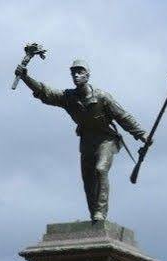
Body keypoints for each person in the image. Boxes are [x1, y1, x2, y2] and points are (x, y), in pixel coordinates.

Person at [16, 58, 147, 222]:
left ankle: (100, 212)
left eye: (80, 72)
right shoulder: (68, 97)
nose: (76, 75)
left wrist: (142, 134)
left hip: (106, 139)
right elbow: (45, 92)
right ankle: (94, 216)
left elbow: (123, 116)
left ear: (87, 75)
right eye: (73, 73)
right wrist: (25, 78)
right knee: (88, 180)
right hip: (86, 141)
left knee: (100, 170)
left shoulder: (102, 97)